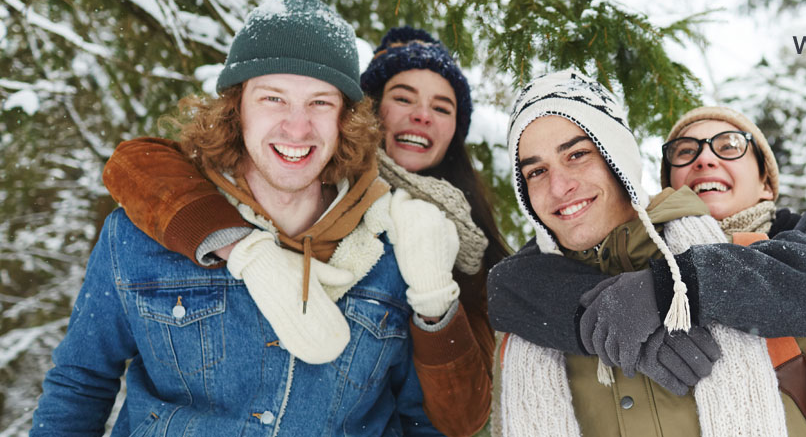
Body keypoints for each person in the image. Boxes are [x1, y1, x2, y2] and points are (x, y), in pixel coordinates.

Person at [32, 0, 444, 435]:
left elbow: (421, 419)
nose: (297, 127)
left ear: (345, 118)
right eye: (273, 98)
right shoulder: (142, 234)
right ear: (237, 107)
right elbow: (80, 384)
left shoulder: (393, 248)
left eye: (320, 103)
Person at [489, 70, 806, 435]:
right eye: (535, 171)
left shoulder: (775, 270)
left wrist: (673, 288)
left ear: (620, 161)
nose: (559, 185)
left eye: (577, 154)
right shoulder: (527, 314)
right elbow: (504, 289)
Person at [99, 27, 504, 435]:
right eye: (403, 98)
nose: (422, 115)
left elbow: (456, 417)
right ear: (363, 113)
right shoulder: (298, 174)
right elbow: (136, 163)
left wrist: (434, 294)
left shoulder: (468, 241)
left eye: (442, 107)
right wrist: (240, 246)